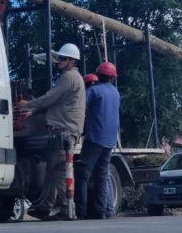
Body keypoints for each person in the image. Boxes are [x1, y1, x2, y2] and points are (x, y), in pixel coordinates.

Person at [16, 43, 85, 220]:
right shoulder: (73, 78)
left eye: (62, 59)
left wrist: (28, 105)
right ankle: (44, 206)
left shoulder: (68, 78)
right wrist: (36, 111)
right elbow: (57, 102)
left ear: (72, 61)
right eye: (59, 58)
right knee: (53, 171)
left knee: (61, 171)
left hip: (64, 131)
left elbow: (50, 97)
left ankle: (67, 209)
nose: (59, 61)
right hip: (65, 130)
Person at [77, 61, 120, 220]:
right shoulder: (115, 92)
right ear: (112, 78)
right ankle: (101, 211)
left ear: (99, 75)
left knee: (82, 174)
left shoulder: (94, 91)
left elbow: (80, 107)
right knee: (102, 176)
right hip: (109, 140)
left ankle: (81, 212)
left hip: (94, 139)